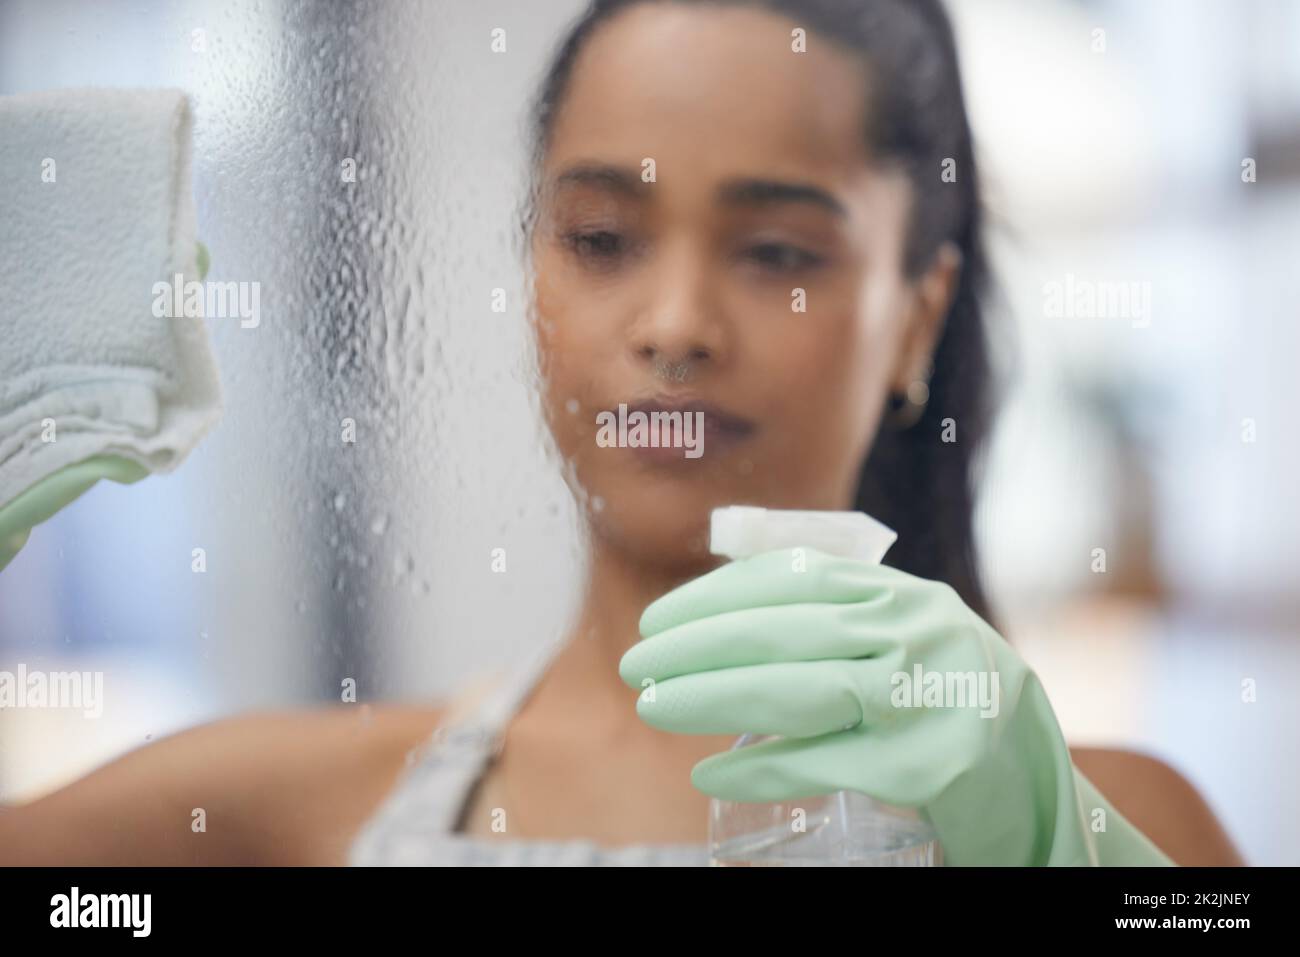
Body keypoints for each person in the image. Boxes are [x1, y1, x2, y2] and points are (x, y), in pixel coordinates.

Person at [0, 0, 1242, 866]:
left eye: (776, 253)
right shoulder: (274, 815)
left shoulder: (1114, 825)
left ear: (915, 319)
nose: (676, 325)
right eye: (599, 237)